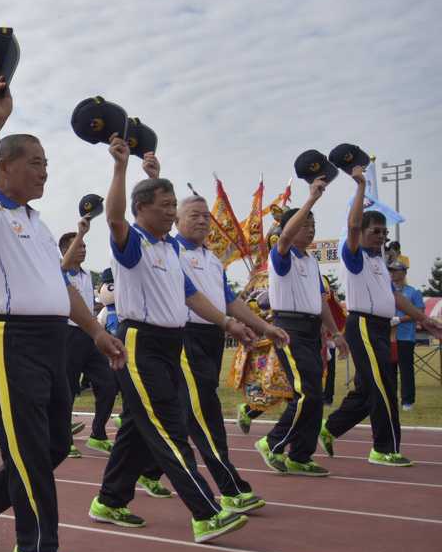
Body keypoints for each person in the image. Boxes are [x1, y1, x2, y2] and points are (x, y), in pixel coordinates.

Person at [0, 78, 125, 552]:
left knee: (51, 446)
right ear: (5, 168)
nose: (45, 170)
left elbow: (62, 289)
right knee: (28, 448)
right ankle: (34, 550)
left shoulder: (39, 223)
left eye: (46, 163)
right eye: (36, 162)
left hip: (52, 341)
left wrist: (95, 331)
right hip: (9, 339)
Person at [89, 138, 259, 543]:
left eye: (172, 205)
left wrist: (226, 323)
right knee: (169, 430)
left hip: (170, 346)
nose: (171, 211)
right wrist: (120, 168)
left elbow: (191, 296)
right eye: (165, 206)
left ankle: (109, 500)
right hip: (140, 345)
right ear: (141, 210)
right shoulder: (132, 245)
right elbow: (114, 217)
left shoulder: (168, 249)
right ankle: (205, 512)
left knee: (137, 428)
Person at [172, 194, 288, 512]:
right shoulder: (170, 251)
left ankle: (115, 492)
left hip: (211, 336)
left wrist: (264, 328)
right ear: (175, 220)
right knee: (205, 413)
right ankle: (231, 488)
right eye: (193, 215)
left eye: (205, 216)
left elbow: (229, 300)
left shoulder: (212, 259)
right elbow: (188, 296)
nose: (202, 220)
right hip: (183, 337)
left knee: (170, 417)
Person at [321, 187, 442, 466]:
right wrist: (361, 185)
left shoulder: (378, 261)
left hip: (380, 328)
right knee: (384, 385)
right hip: (362, 324)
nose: (381, 236)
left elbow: (395, 297)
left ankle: (330, 428)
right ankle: (383, 448)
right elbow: (352, 224)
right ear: (361, 232)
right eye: (375, 231)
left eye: (384, 232)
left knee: (367, 390)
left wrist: (425, 320)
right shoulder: (353, 256)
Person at [254, 181, 345, 476]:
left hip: (311, 329)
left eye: (313, 224)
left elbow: (321, 303)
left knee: (315, 394)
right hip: (288, 326)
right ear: (288, 228)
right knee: (305, 392)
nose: (310, 228)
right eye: (304, 224)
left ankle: (301, 455)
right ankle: (272, 442)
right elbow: (285, 236)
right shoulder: (281, 256)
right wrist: (310, 201)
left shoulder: (312, 263)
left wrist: (336, 333)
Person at [60, 220, 117, 455]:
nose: (83, 249)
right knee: (67, 390)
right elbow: (61, 267)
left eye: (85, 246)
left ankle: (98, 433)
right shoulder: (59, 270)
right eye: (78, 245)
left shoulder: (86, 276)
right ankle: (64, 440)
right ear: (65, 250)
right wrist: (82, 230)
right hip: (67, 336)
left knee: (109, 383)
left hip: (89, 336)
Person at [390, 261, 424, 411]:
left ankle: (407, 401)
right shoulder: (386, 291)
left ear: (403, 273)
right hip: (389, 337)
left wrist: (399, 319)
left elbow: (420, 313)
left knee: (406, 370)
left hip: (405, 336)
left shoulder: (413, 292)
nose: (392, 273)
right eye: (391, 270)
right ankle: (391, 400)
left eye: (396, 270)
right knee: (389, 370)